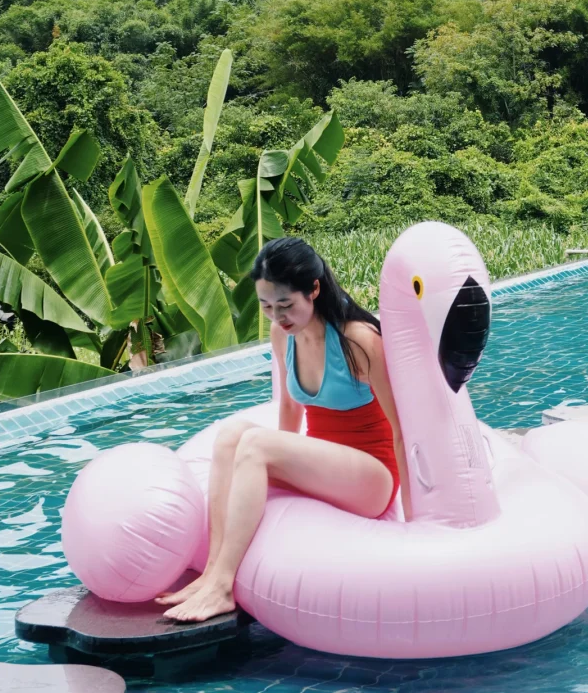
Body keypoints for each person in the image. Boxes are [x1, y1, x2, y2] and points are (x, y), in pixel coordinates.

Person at [159, 236, 409, 622]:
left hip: (372, 476)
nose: (278, 317)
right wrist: (282, 466)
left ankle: (223, 587)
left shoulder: (358, 340)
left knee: (256, 444)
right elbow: (291, 408)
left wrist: (415, 518)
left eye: (286, 305)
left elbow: (401, 430)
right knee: (232, 437)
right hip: (330, 466)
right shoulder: (283, 335)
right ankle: (210, 574)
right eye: (267, 307)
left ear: (314, 289)